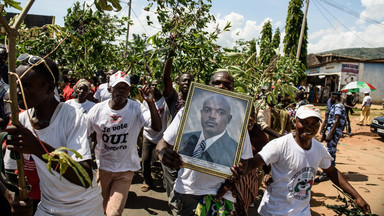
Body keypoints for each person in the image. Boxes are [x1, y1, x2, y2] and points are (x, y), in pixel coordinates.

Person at [6, 55, 103, 215]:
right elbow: (10, 170)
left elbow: (84, 177)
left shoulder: (71, 116)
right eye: (17, 85)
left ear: (50, 88)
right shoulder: (21, 120)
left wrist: (37, 147)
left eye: (26, 85)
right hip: (48, 207)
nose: (18, 91)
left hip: (84, 207)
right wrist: (14, 197)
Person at [232, 104, 371, 216]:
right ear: (295, 122)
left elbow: (332, 172)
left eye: (314, 123)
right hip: (274, 211)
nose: (309, 127)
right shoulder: (279, 145)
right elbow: (254, 163)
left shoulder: (319, 149)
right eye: (303, 122)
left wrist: (357, 196)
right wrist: (242, 167)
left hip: (302, 212)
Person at [156, 71, 253, 216]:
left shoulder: (240, 128)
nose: (222, 87)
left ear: (229, 118)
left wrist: (239, 171)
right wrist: (162, 154)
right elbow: (161, 144)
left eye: (227, 84)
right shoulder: (185, 114)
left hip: (219, 195)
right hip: (186, 191)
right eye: (217, 83)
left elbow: (246, 162)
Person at [86, 71, 161, 216]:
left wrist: (150, 102)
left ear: (129, 90)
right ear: (110, 89)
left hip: (126, 169)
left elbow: (157, 127)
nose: (121, 91)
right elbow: (84, 134)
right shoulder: (97, 110)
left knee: (114, 212)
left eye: (125, 87)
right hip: (104, 167)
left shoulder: (137, 107)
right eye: (117, 87)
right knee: (99, 209)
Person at [178, 95, 237, 167]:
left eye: (220, 112)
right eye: (207, 110)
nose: (212, 116)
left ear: (228, 119)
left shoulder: (234, 150)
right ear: (201, 113)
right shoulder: (184, 138)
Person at [141, 80, 170, 192]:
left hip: (162, 137)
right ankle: (147, 181)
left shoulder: (165, 102)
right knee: (145, 160)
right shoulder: (146, 101)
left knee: (164, 162)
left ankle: (165, 182)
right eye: (153, 85)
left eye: (158, 85)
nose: (155, 87)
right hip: (148, 135)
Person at [317, 92, 346, 182]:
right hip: (333, 131)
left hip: (334, 132)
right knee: (330, 150)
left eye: (331, 97)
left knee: (330, 152)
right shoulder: (336, 105)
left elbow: (336, 120)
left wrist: (330, 134)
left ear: (333, 97)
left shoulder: (338, 106)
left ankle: (328, 173)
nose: (330, 99)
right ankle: (327, 171)